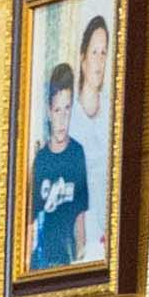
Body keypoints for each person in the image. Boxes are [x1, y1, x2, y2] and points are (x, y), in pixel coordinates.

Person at [26, 58, 98, 272]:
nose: (62, 118)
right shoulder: (41, 160)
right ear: (49, 112)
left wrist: (81, 256)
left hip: (68, 260)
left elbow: (80, 215)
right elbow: (31, 219)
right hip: (42, 260)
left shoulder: (77, 154)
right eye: (57, 110)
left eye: (67, 109)